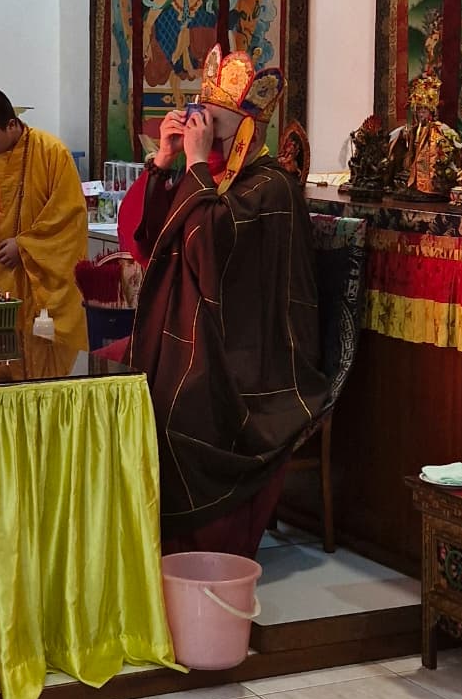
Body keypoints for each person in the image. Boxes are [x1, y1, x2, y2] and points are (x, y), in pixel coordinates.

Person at [130, 42, 326, 555]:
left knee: (181, 411)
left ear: (246, 132)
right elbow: (153, 240)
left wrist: (196, 164)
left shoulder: (273, 187)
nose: (204, 134)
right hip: (202, 331)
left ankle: (192, 548)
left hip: (252, 357)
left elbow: (209, 254)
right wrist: (165, 161)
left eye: (213, 127)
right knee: (130, 392)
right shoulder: (217, 180)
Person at [0, 87, 89, 378]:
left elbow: (69, 220)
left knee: (46, 379)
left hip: (41, 288)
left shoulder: (52, 153)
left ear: (11, 124)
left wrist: (25, 246)